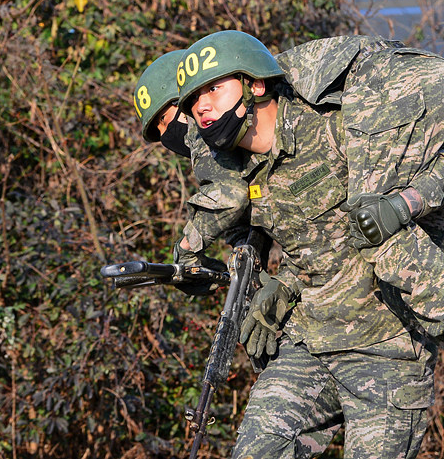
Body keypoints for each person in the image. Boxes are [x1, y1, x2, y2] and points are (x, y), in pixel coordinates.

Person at [172, 31, 444, 458]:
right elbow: (321, 244)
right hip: (309, 348)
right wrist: (284, 285)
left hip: (386, 355)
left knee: (373, 224)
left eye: (214, 88)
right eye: (193, 98)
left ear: (255, 84)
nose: (202, 105)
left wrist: (403, 205)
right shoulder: (239, 174)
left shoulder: (344, 122)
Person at [132, 50, 344, 456]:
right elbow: (248, 214)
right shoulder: (228, 127)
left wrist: (186, 251)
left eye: (165, 120)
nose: (166, 135)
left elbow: (230, 197)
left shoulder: (202, 132)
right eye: (158, 131)